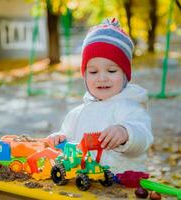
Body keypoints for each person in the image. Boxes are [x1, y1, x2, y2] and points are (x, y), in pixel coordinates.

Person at [47, 18, 153, 173]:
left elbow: (143, 136)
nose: (102, 78)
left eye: (111, 71)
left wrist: (125, 132)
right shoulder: (77, 113)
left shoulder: (130, 107)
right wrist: (60, 137)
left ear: (125, 75)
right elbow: (68, 138)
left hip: (121, 182)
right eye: (93, 72)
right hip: (85, 180)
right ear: (85, 75)